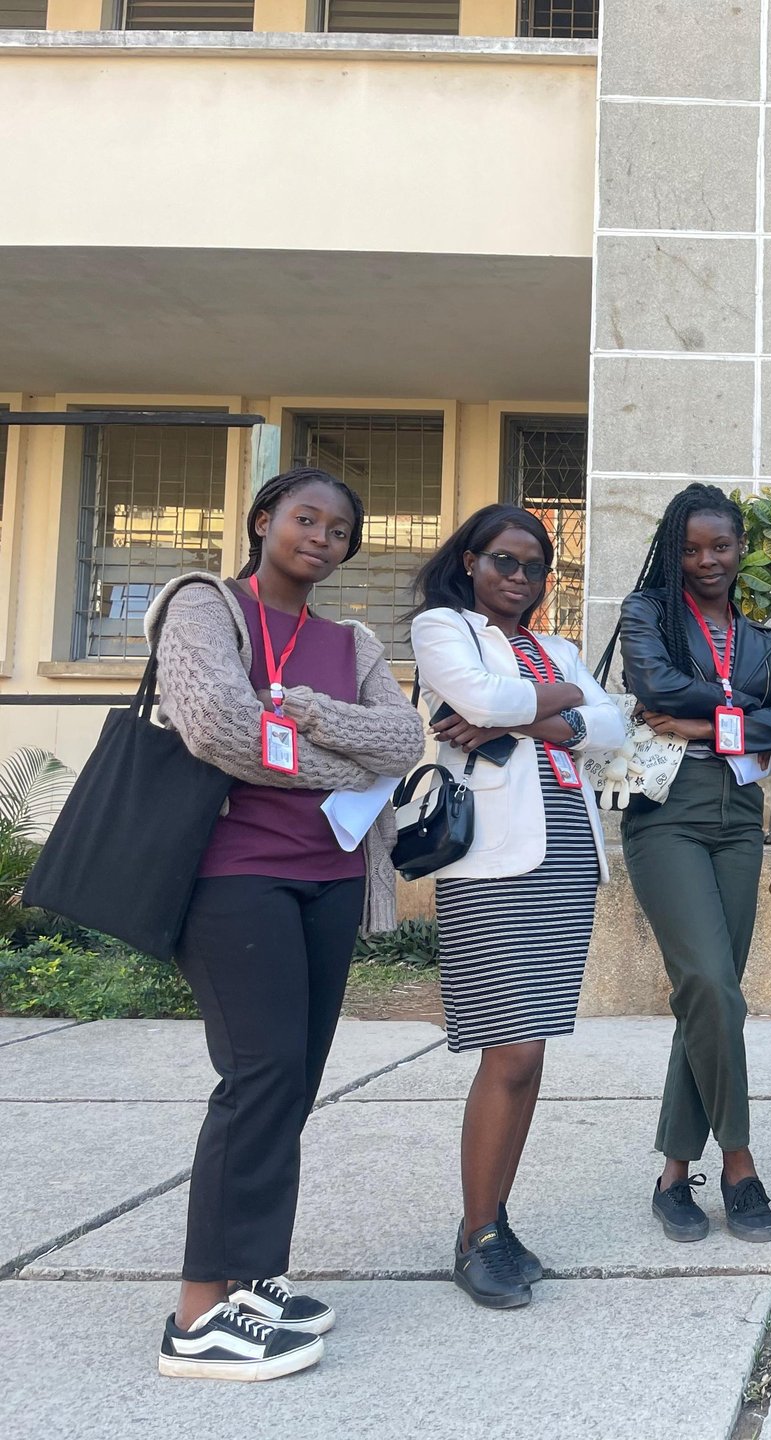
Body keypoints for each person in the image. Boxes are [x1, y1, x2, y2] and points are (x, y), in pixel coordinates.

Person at [145, 467, 423, 1380]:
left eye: (340, 530)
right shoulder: (204, 607)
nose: (321, 538)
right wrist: (342, 761)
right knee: (257, 1076)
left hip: (333, 880)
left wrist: (300, 711)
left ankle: (251, 1276)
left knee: (292, 1081)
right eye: (306, 518)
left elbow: (402, 740)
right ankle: (195, 1318)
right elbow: (219, 726)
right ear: (264, 520)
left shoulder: (349, 641)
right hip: (236, 879)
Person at [410, 505, 625, 1308]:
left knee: (533, 1050)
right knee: (513, 1050)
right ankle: (475, 1234)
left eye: (535, 567)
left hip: (567, 852)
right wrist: (565, 705)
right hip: (496, 859)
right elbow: (478, 696)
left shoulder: (558, 643)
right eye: (506, 561)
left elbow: (612, 729)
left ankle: (495, 1218)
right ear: (470, 560)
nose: (521, 579)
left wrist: (544, 708)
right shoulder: (443, 626)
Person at [618, 483, 771, 1244]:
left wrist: (710, 722)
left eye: (720, 546)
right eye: (691, 548)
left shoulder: (762, 639)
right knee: (707, 984)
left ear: (741, 551)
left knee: (711, 997)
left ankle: (672, 1175)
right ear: (674, 550)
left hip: (740, 824)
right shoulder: (649, 616)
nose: (706, 560)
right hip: (667, 817)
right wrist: (745, 714)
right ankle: (738, 1162)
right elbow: (653, 684)